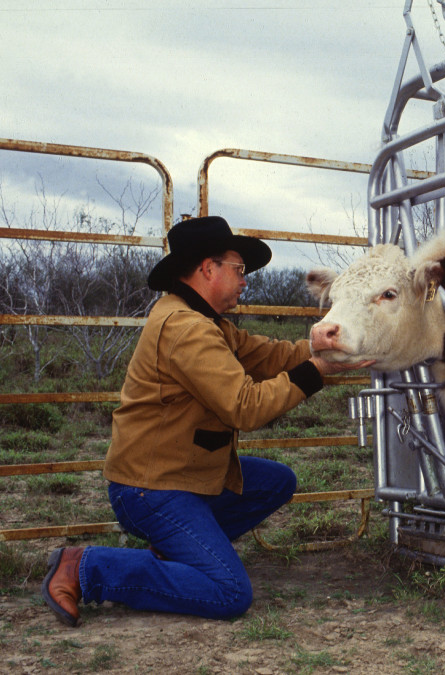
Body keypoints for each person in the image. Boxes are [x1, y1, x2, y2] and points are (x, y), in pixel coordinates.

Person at [41, 216, 371, 626]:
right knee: (230, 593)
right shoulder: (185, 328)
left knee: (275, 482)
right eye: (239, 270)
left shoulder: (206, 321)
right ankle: (86, 568)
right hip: (151, 487)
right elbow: (245, 407)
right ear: (207, 268)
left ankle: (177, 554)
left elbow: (267, 356)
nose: (245, 280)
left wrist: (317, 347)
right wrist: (316, 372)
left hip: (185, 474)